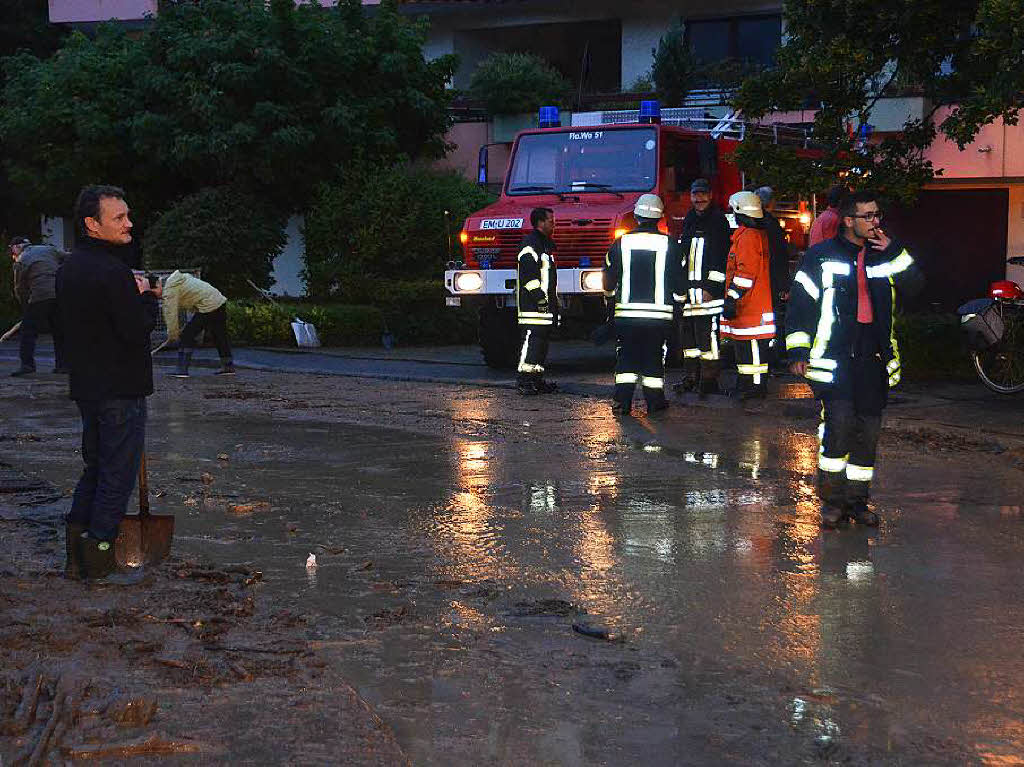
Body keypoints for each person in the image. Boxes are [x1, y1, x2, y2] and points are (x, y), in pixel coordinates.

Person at [786, 190, 923, 528]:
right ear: (849, 221)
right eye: (868, 216)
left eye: (878, 215)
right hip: (834, 361)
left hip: (873, 361)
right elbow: (801, 306)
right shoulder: (820, 256)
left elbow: (916, 287)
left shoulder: (885, 255)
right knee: (840, 427)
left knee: (868, 433)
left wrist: (893, 250)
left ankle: (857, 503)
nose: (876, 222)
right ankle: (832, 503)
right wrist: (797, 351)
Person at [57, 185, 161, 583]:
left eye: (127, 215)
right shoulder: (113, 271)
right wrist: (148, 298)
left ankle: (74, 557)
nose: (129, 223)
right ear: (91, 224)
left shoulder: (69, 267)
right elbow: (137, 331)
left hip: (87, 386)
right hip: (120, 389)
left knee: (95, 469)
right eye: (118, 217)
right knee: (116, 476)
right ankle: (98, 560)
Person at [603, 194, 685, 416]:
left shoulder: (621, 243)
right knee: (653, 358)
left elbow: (609, 278)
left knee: (626, 358)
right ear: (659, 217)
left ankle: (622, 402)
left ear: (637, 215)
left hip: (627, 316)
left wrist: (610, 300)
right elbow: (679, 281)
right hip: (658, 318)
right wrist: (679, 305)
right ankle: (654, 403)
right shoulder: (670, 245)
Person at [678, 178, 731, 395]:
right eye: (695, 195)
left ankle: (709, 381)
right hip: (689, 292)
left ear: (710, 195)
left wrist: (711, 287)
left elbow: (720, 259)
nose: (699, 199)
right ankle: (691, 377)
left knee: (708, 340)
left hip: (708, 295)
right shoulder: (689, 219)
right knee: (688, 341)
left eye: (703, 194)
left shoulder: (718, 221)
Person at [721, 191, 775, 400]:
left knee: (752, 352)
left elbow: (745, 274)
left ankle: (754, 388)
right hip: (751, 306)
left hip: (750, 307)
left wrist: (732, 298)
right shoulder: (751, 235)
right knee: (747, 352)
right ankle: (747, 385)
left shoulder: (747, 238)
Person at [9, 237, 67, 376]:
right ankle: (63, 365)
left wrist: (25, 307)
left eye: (12, 249)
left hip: (40, 295)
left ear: (17, 247)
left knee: (28, 331)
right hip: (59, 293)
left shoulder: (21, 260)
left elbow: (19, 288)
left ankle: (27, 365)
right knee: (59, 330)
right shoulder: (48, 249)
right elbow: (69, 257)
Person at [516, 207, 558, 395]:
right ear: (540, 222)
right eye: (551, 220)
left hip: (543, 307)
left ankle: (536, 380)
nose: (554, 223)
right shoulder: (530, 246)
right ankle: (525, 381)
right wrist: (540, 299)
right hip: (533, 307)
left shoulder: (543, 245)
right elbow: (529, 277)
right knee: (532, 343)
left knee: (541, 345)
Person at [162, 270, 235, 377]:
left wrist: (173, 335)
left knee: (187, 335)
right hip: (219, 300)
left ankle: (182, 369)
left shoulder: (170, 290)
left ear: (157, 287)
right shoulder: (179, 279)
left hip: (208, 305)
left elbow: (171, 314)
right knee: (219, 335)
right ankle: (228, 366)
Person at [755, 186, 792, 370]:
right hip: (772, 281)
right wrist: (784, 284)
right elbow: (780, 256)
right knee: (773, 320)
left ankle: (766, 355)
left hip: (760, 280)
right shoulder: (772, 225)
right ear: (771, 202)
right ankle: (773, 357)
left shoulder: (754, 224)